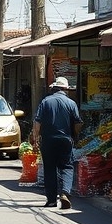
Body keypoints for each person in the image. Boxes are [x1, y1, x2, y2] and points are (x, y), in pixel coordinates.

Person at [31, 77, 82, 210]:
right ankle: (65, 192)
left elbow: (37, 122)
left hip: (48, 140)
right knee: (67, 167)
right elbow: (77, 123)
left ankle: (52, 200)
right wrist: (75, 136)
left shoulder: (45, 102)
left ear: (54, 88)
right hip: (65, 140)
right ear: (66, 89)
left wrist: (36, 138)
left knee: (50, 169)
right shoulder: (71, 103)